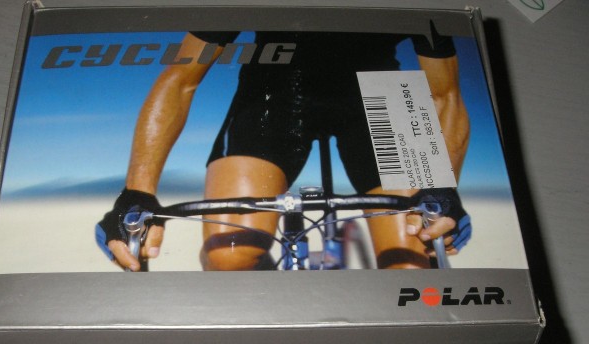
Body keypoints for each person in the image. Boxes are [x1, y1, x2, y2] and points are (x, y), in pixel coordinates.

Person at [97, 29, 471, 271]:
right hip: (274, 87)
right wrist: (137, 193)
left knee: (416, 268)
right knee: (229, 259)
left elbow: (444, 93)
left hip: (382, 90)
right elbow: (181, 79)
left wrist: (443, 187)